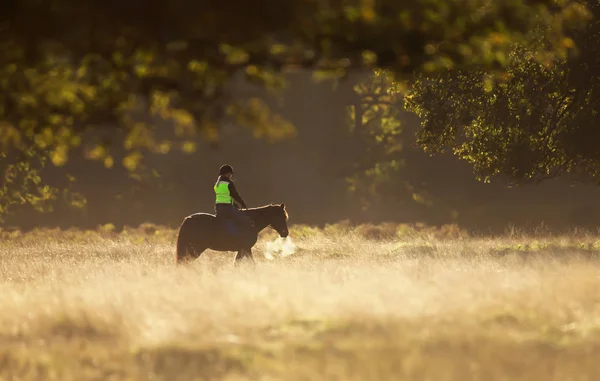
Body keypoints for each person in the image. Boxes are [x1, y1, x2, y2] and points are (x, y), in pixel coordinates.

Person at [214, 164, 254, 234]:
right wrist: (242, 204)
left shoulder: (217, 184)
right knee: (244, 219)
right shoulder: (229, 183)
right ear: (227, 173)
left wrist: (234, 204)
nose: (231, 175)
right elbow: (235, 195)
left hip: (218, 207)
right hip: (227, 208)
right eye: (230, 174)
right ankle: (237, 237)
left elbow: (224, 196)